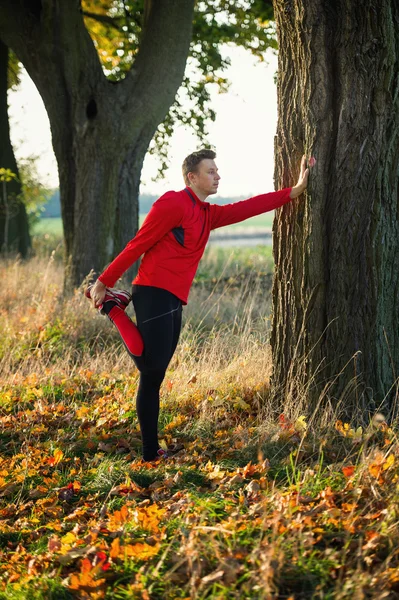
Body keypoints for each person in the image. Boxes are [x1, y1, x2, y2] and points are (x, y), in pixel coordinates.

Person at [87, 150, 310, 461]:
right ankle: (112, 308)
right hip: (152, 290)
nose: (217, 176)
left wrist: (294, 191)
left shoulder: (207, 214)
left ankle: (151, 452)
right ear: (191, 177)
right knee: (150, 370)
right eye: (210, 171)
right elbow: (139, 242)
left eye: (217, 171)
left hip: (174, 297)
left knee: (154, 373)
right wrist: (104, 281)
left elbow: (248, 207)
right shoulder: (172, 203)